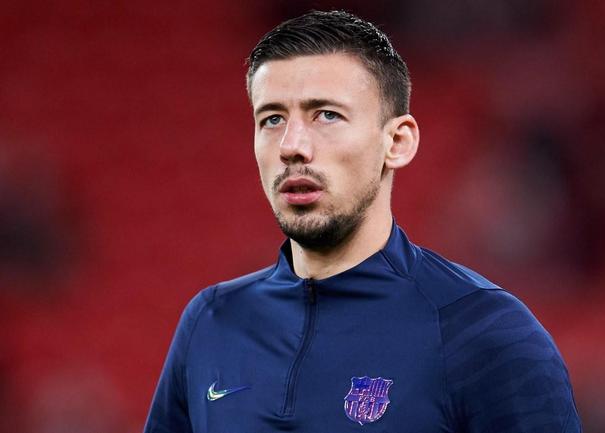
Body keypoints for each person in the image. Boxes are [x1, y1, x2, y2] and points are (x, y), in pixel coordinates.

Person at [144, 10, 581, 433]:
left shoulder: (483, 331)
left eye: (326, 115)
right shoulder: (212, 322)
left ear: (397, 142)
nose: (291, 146)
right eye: (272, 119)